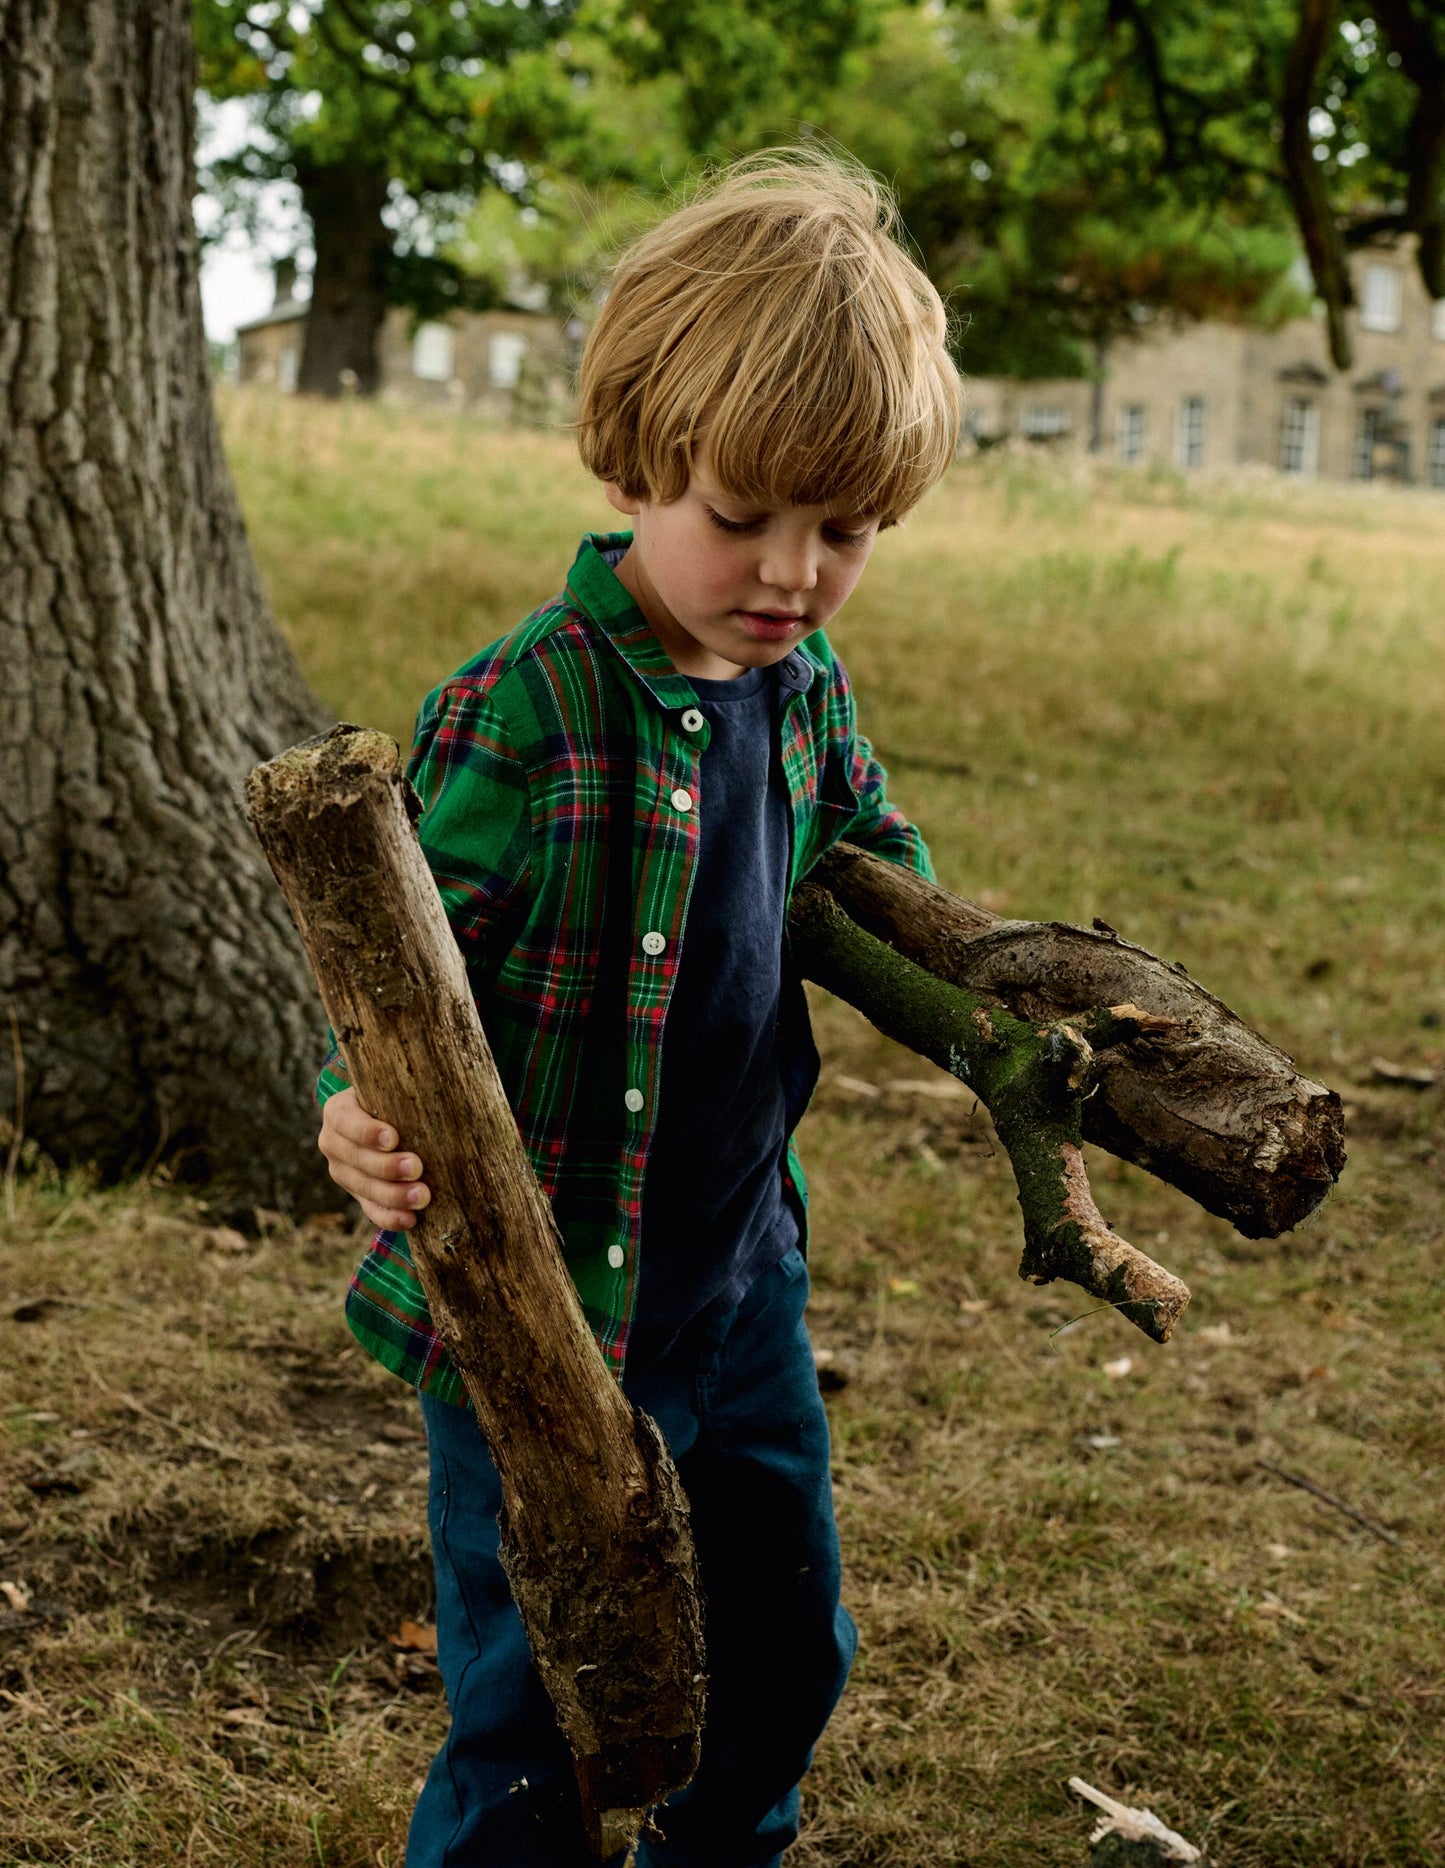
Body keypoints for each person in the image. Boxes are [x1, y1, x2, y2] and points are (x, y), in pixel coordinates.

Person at [317, 148, 962, 1868]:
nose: (792, 572)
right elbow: (396, 970)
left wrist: (997, 989)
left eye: (846, 531)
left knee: (782, 1650)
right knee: (536, 1713)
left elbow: (871, 859)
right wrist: (352, 1115)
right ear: (634, 456)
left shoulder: (800, 684)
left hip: (740, 1279)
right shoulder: (521, 711)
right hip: (540, 1318)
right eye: (741, 517)